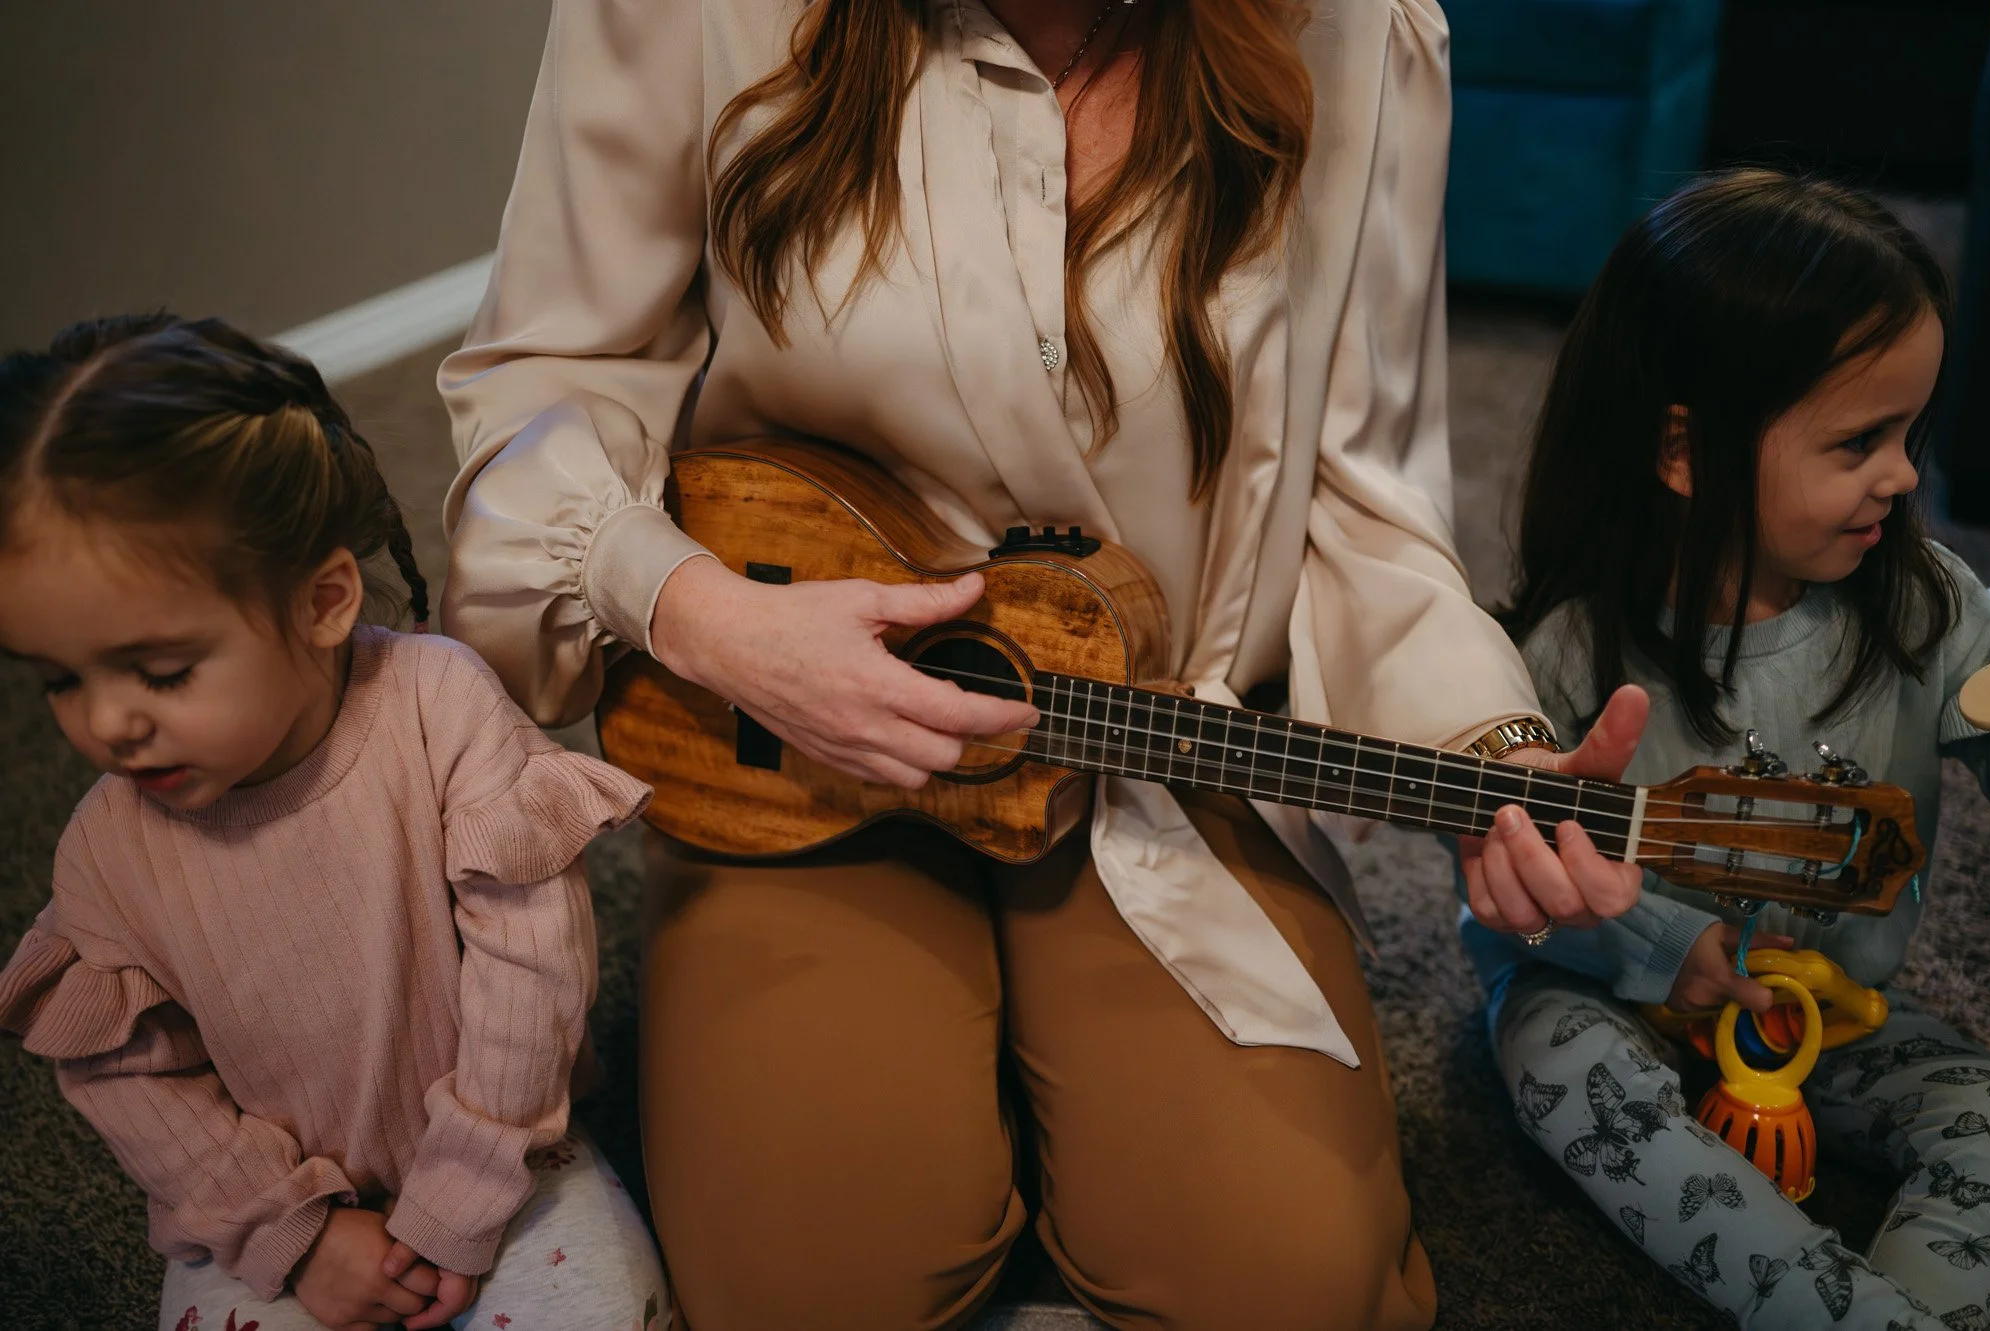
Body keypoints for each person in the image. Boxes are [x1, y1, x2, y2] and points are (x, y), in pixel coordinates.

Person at [440, 2, 1648, 1326]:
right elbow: (549, 368)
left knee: (1292, 1291)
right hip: (786, 743)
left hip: (1151, 739)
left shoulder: (1355, 32)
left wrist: (1488, 745)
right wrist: (704, 616)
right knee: (812, 1290)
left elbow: (1361, 497)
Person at [0, 316, 667, 1331]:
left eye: (161, 671)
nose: (106, 723)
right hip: (270, 1205)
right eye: (61, 680)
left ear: (322, 601)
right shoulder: (105, 849)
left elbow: (532, 968)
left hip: (507, 1147)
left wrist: (460, 1193)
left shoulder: (437, 706)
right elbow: (133, 1077)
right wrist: (294, 1234)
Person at [1463, 169, 1990, 1329]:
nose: (1904, 476)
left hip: (1830, 1011)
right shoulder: (1563, 653)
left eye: (1907, 432)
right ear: (1684, 451)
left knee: (1986, 1110)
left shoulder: (1923, 604)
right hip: (1610, 1001)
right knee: (1557, 1063)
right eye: (1858, 440)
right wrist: (1661, 945)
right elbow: (1508, 895)